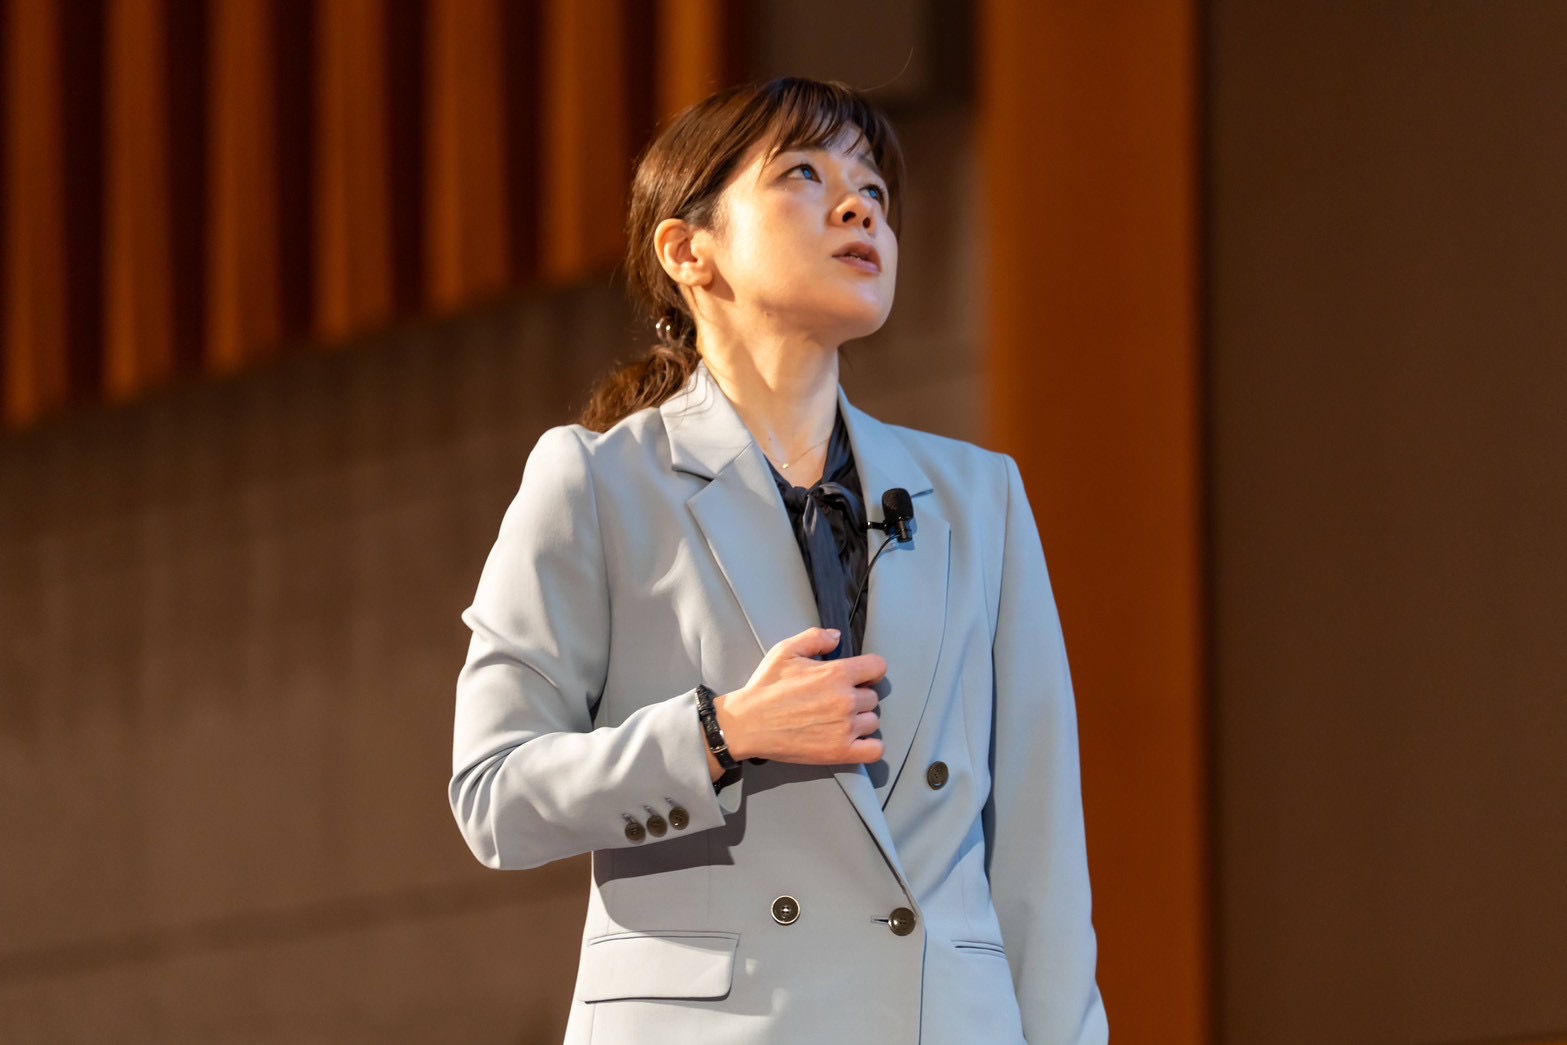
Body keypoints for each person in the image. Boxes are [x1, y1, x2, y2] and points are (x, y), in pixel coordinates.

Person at [449, 76, 1107, 1044]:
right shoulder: (597, 482)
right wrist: (722, 733)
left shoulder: (979, 498)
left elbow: (1040, 864)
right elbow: (494, 794)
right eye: (803, 173)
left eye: (872, 188)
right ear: (688, 250)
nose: (858, 207)